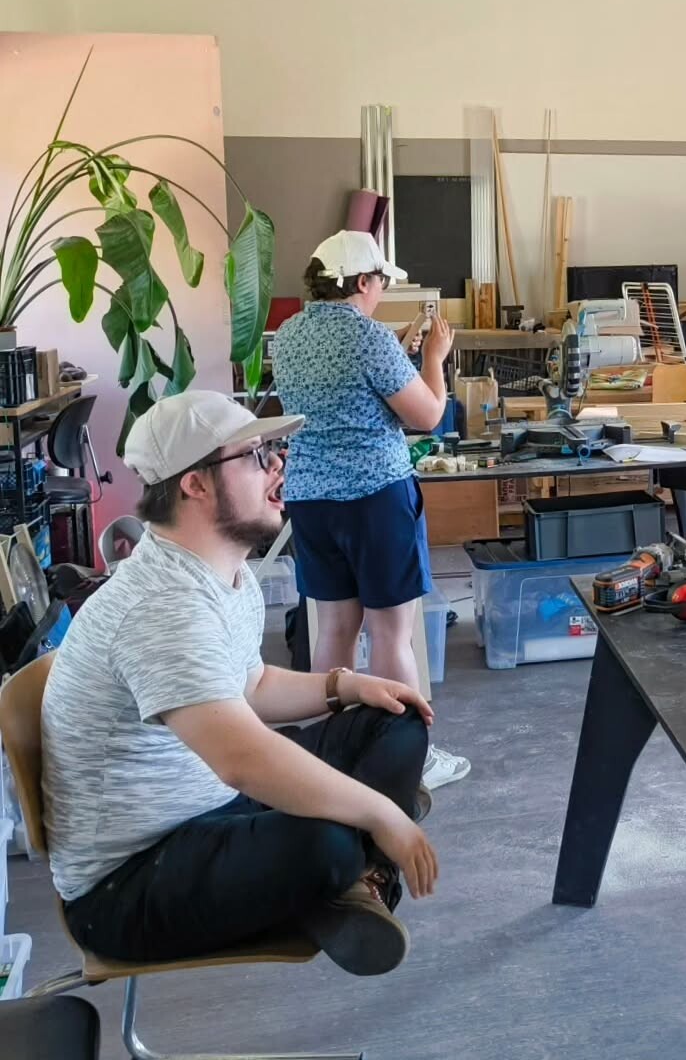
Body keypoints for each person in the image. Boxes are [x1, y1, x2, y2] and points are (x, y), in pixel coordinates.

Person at [41, 391, 438, 974]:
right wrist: (383, 814)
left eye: (272, 450)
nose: (278, 464)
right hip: (128, 882)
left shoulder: (225, 574)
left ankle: (351, 884)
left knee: (394, 722)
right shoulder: (161, 606)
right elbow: (241, 759)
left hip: (212, 808)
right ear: (195, 484)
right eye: (255, 455)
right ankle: (350, 872)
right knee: (329, 840)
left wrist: (347, 686)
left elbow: (251, 687)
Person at [270, 230, 471, 791]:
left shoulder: (289, 334)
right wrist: (432, 359)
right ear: (362, 281)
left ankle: (331, 752)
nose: (381, 291)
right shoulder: (367, 337)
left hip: (311, 498)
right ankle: (409, 761)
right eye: (381, 281)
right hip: (375, 497)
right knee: (391, 634)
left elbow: (344, 393)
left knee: (334, 629)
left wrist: (397, 352)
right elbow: (427, 416)